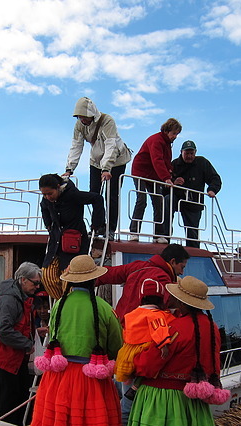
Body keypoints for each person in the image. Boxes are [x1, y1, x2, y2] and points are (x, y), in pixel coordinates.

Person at [121, 276, 224, 426]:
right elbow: (213, 363)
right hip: (192, 398)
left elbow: (149, 364)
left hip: (161, 397)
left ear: (182, 301)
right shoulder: (211, 328)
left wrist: (134, 361)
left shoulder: (173, 328)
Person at [25, 255, 124, 426]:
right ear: (94, 281)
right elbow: (116, 346)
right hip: (91, 378)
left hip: (59, 377)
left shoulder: (59, 305)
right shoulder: (103, 308)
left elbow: (55, 336)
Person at [0, 262, 41, 425]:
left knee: (16, 396)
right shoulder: (10, 301)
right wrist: (27, 344)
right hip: (3, 358)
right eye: (35, 283)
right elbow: (3, 329)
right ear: (23, 280)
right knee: (8, 400)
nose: (37, 286)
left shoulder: (17, 298)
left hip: (10, 357)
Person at [63, 97, 132, 238]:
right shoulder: (79, 126)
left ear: (91, 114)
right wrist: (70, 168)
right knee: (94, 194)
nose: (82, 120)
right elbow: (76, 146)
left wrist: (106, 168)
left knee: (111, 194)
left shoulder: (107, 121)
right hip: (96, 161)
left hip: (116, 160)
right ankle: (97, 226)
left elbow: (111, 145)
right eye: (80, 117)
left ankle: (111, 229)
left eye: (84, 117)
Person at [113, 278, 175, 426]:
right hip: (143, 358)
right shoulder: (160, 316)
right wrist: (163, 345)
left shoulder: (131, 315)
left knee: (125, 401)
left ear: (141, 297)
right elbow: (160, 331)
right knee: (132, 407)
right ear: (161, 298)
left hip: (126, 358)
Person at [39, 173, 106, 300]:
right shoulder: (47, 200)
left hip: (74, 243)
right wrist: (47, 224)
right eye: (44, 194)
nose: (47, 197)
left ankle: (68, 304)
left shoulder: (73, 195)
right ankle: (62, 303)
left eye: (50, 194)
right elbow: (44, 207)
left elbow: (97, 199)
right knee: (47, 275)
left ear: (58, 187)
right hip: (56, 242)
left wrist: (96, 224)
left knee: (69, 278)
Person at [96, 243, 189, 323]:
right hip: (139, 328)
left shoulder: (137, 266)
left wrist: (85, 279)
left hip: (120, 322)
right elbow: (166, 307)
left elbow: (108, 274)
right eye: (182, 267)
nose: (182, 273)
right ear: (173, 262)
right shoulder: (163, 278)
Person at [129, 118, 182, 243]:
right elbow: (157, 160)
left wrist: (171, 176)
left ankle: (158, 235)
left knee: (158, 202)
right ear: (167, 131)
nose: (175, 136)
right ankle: (134, 232)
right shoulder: (156, 140)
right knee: (141, 200)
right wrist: (166, 178)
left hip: (153, 175)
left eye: (177, 134)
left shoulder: (168, 143)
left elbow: (166, 161)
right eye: (174, 133)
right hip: (140, 172)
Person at [167, 140, 222, 248]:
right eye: (187, 153)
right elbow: (165, 182)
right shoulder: (174, 164)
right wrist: (174, 182)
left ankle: (193, 253)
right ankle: (164, 237)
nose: (189, 156)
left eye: (192, 153)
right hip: (177, 198)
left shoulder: (202, 162)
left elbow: (215, 178)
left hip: (194, 203)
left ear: (195, 153)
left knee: (193, 235)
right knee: (167, 200)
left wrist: (212, 190)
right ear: (181, 152)